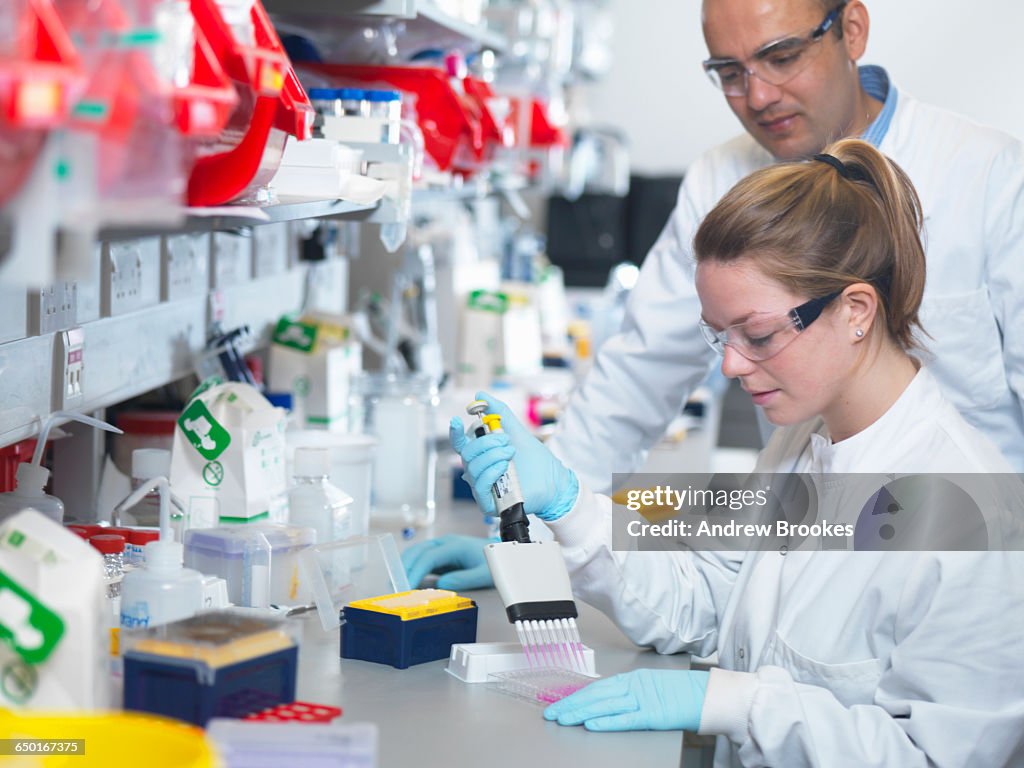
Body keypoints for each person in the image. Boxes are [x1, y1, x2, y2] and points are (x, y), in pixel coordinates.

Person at [403, 0, 1024, 590]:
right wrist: (531, 530)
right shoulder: (721, 178)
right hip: (803, 533)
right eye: (729, 72)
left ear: (852, 29)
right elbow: (642, 368)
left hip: (968, 549)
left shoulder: (987, 173)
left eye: (782, 57)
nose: (757, 96)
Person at [442, 139, 1024, 766]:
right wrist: (567, 504)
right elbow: (712, 596)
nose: (729, 364)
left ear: (856, 310)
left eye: (759, 334)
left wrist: (739, 706)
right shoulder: (802, 441)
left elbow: (937, 758)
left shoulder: (974, 518)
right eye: (718, 334)